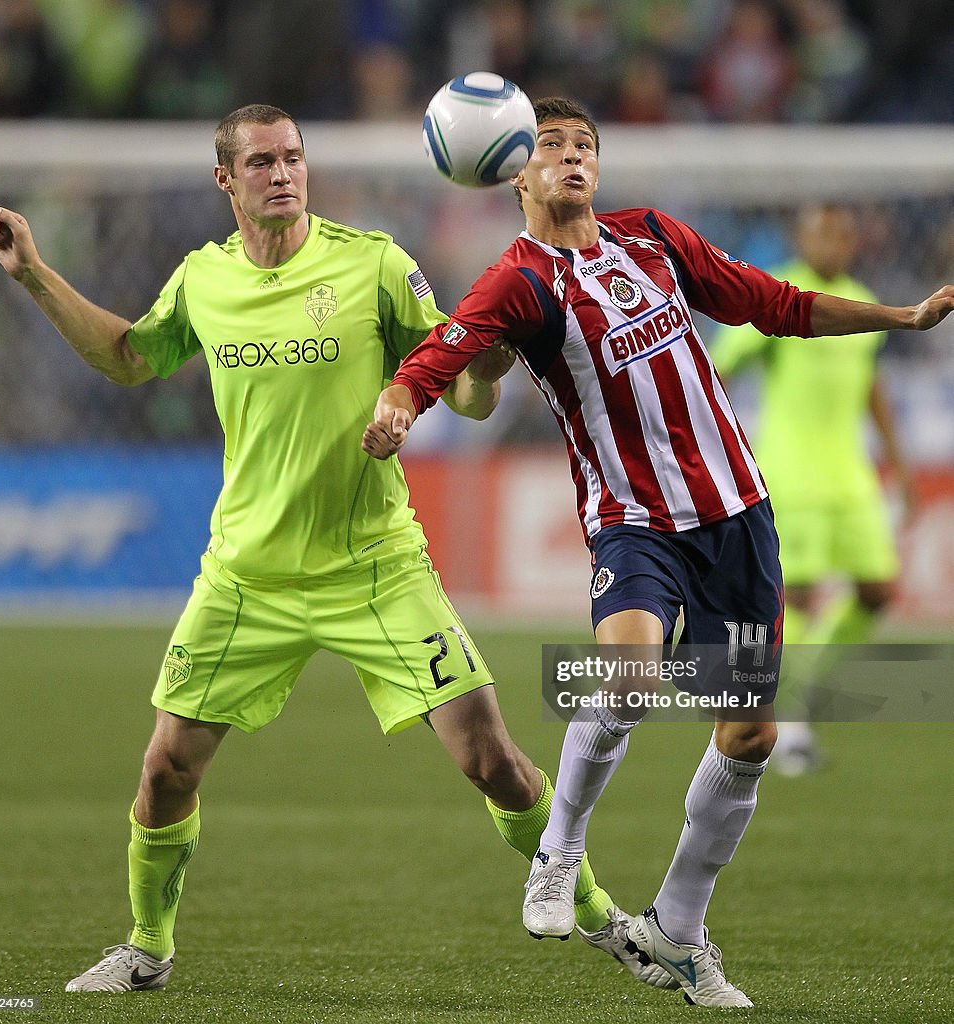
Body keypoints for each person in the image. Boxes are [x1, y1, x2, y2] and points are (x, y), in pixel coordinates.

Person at [0, 104, 664, 995]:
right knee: (164, 771)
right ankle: (147, 947)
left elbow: (465, 393)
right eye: (262, 160)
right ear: (225, 180)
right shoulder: (202, 280)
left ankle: (605, 914)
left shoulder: (373, 262)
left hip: (374, 563)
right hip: (246, 576)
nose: (284, 173)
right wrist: (33, 273)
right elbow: (127, 359)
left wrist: (488, 361)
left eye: (294, 157)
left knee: (491, 758)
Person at [364, 96, 954, 1008]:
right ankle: (557, 853)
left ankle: (679, 929)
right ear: (512, 170)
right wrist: (402, 401)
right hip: (634, 520)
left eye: (585, 144)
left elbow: (774, 303)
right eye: (551, 145)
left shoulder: (655, 240)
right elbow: (448, 350)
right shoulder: (518, 280)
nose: (573, 157)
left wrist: (905, 317)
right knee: (630, 674)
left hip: (738, 516)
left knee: (748, 732)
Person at [709, 203, 912, 774]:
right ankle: (781, 713)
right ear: (802, 239)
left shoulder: (859, 298)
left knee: (878, 591)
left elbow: (870, 386)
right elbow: (720, 370)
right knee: (793, 601)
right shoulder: (779, 300)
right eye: (823, 234)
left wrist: (896, 466)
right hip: (791, 476)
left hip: (851, 478)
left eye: (844, 234)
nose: (834, 244)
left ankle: (801, 684)